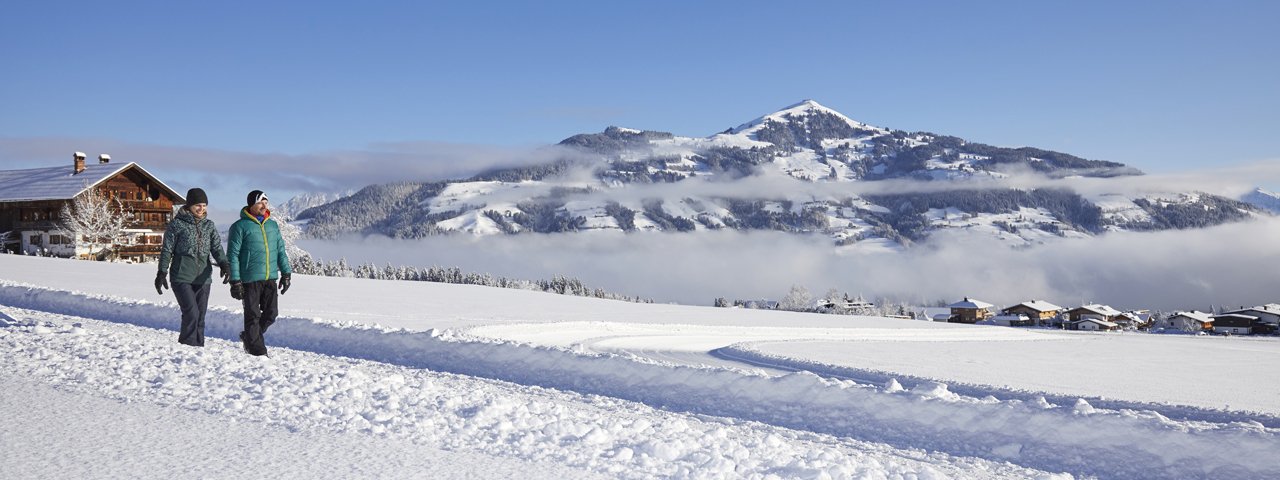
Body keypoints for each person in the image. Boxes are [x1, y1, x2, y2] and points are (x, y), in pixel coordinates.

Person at [156, 187, 230, 347]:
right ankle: (188, 349)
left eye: (204, 205)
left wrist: (224, 263)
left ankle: (198, 349)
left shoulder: (209, 225)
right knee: (191, 314)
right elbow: (167, 249)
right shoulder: (177, 225)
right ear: (189, 205)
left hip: (203, 277)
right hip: (181, 276)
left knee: (200, 316)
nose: (201, 209)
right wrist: (162, 271)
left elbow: (217, 247)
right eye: (198, 205)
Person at [227, 190, 292, 356]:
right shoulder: (239, 227)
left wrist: (286, 273)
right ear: (251, 205)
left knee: (271, 313)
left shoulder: (273, 225)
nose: (264, 206)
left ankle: (249, 336)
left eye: (266, 202)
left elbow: (280, 251)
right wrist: (235, 281)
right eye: (260, 203)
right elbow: (232, 255)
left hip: (270, 277)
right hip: (250, 279)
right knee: (253, 316)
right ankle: (258, 353)